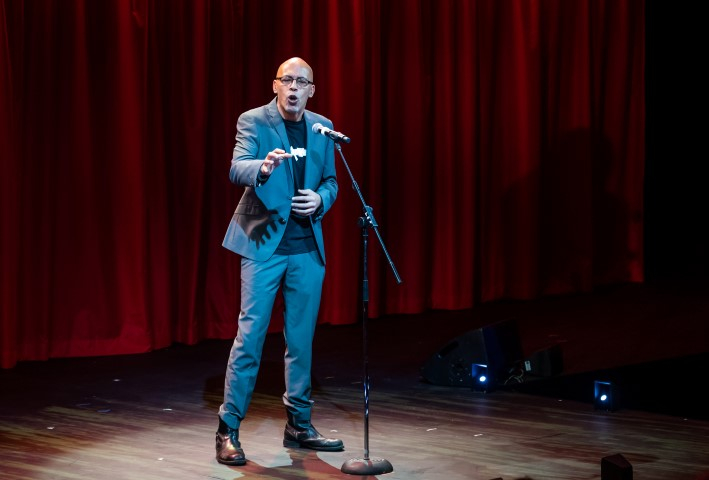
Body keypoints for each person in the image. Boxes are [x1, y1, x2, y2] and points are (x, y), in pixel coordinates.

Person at [216, 57, 343, 466]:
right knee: (250, 338)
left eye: (301, 81)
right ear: (275, 84)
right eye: (287, 79)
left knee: (300, 340)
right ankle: (228, 428)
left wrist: (322, 199)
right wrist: (264, 168)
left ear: (311, 90)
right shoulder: (253, 120)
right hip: (263, 243)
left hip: (306, 246)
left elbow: (331, 181)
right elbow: (238, 167)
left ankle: (299, 425)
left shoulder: (323, 127)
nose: (293, 87)